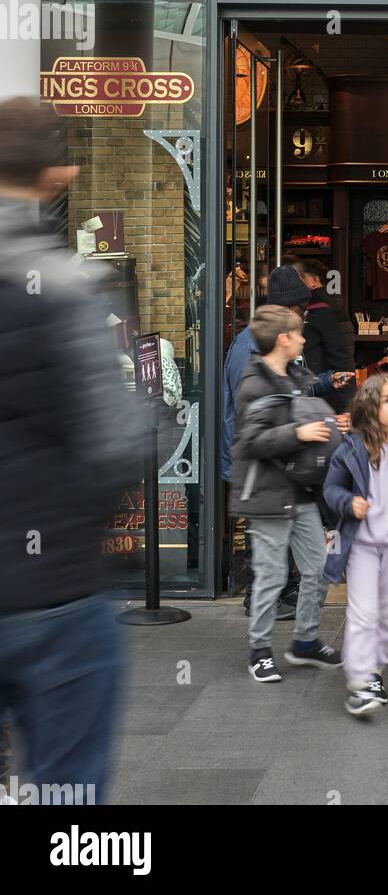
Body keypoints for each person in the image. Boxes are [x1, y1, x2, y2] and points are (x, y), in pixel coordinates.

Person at [0, 97, 142, 803]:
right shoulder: (66, 287)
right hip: (55, 593)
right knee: (68, 798)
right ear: (60, 174)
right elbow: (119, 440)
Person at [229, 305, 343, 682]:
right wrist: (299, 434)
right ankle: (259, 650)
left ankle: (305, 641)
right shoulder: (254, 383)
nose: (304, 339)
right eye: (298, 334)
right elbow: (251, 440)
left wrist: (328, 422)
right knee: (272, 575)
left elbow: (302, 414)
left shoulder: (295, 375)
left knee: (318, 569)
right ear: (283, 340)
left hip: (300, 491)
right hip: (267, 495)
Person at [323, 373, 388, 717]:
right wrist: (348, 504)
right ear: (371, 408)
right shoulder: (352, 448)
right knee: (363, 612)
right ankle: (359, 681)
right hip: (362, 545)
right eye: (387, 400)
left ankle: (374, 671)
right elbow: (331, 489)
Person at [291, 257, 355, 407]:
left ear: (314, 281)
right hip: (324, 387)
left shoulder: (321, 310)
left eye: (300, 277)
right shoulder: (327, 306)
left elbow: (341, 355)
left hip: (324, 392)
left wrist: (348, 404)